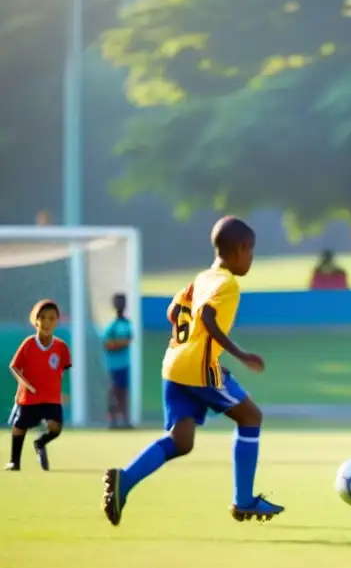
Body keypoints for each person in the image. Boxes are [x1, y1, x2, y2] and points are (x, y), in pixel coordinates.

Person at [102, 216, 283, 526]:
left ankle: (125, 481)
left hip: (174, 365)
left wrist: (195, 347)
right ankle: (243, 501)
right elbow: (208, 317)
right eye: (251, 252)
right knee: (251, 417)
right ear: (240, 249)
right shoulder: (227, 284)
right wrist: (239, 354)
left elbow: (174, 311)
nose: (251, 258)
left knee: (181, 441)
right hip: (198, 370)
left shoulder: (200, 278)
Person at [6, 300, 71, 471]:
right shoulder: (28, 344)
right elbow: (14, 366)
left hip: (51, 397)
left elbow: (62, 370)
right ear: (35, 321)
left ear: (57, 321)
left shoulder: (61, 347)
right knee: (20, 426)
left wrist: (61, 392)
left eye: (51, 318)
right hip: (29, 397)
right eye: (42, 318)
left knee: (56, 428)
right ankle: (14, 461)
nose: (47, 322)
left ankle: (40, 443)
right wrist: (25, 384)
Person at [103, 293, 133, 429]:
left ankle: (124, 420)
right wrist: (119, 343)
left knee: (123, 393)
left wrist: (117, 344)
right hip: (112, 366)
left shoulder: (127, 324)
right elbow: (107, 344)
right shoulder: (111, 325)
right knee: (113, 392)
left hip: (124, 364)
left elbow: (128, 340)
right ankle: (112, 420)